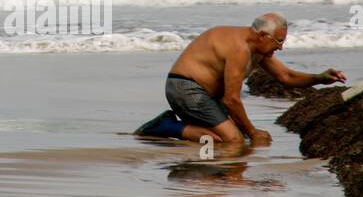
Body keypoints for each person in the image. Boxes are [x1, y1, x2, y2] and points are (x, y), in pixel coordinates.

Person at [135, 12, 346, 144]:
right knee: (234, 140)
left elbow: (286, 76)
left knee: (235, 138)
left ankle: (179, 127)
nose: (281, 47)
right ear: (262, 35)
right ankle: (164, 126)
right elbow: (231, 99)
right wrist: (253, 131)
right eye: (279, 41)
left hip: (206, 97)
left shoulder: (259, 49)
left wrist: (320, 78)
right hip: (185, 89)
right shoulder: (240, 48)